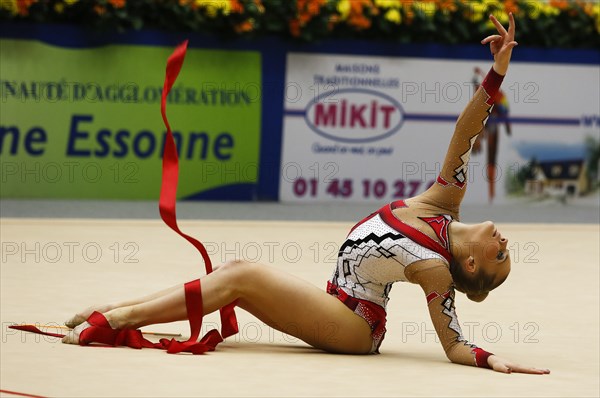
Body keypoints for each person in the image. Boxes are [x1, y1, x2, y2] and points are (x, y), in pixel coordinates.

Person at [63, 14, 550, 375]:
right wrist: (497, 75)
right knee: (233, 272)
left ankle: (119, 318)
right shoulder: (445, 200)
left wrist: (490, 360)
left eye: (500, 254)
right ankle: (119, 311)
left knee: (244, 275)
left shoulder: (435, 268)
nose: (503, 239)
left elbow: (454, 344)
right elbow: (466, 132)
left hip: (354, 327)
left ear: (470, 266)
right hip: (336, 304)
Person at [471, 65, 513, 202]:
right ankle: (491, 193)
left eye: (477, 86)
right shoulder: (478, 94)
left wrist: (506, 123)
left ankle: (492, 193)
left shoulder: (493, 92)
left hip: (497, 114)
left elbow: (503, 108)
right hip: (489, 116)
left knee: (491, 154)